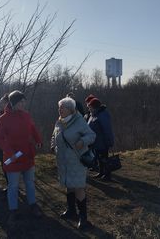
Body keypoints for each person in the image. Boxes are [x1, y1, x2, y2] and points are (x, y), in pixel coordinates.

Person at [0, 90, 43, 224]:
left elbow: (32, 128)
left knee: (30, 183)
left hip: (27, 154)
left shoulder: (26, 115)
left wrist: (38, 140)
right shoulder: (3, 118)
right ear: (13, 103)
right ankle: (13, 210)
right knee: (13, 186)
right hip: (13, 157)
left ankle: (33, 205)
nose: (23, 104)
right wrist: (10, 153)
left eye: (24, 101)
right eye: (21, 102)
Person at [51, 97, 96, 230]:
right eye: (59, 107)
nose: (60, 109)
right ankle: (71, 211)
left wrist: (82, 141)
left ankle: (83, 218)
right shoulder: (59, 122)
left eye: (62, 107)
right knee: (68, 185)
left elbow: (91, 135)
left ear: (71, 109)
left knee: (78, 187)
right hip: (63, 161)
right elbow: (54, 135)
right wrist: (53, 145)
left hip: (76, 160)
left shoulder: (79, 121)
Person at [87, 98, 114, 181]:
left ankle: (107, 175)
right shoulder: (94, 114)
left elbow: (107, 129)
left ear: (94, 107)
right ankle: (101, 172)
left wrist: (109, 141)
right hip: (96, 142)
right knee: (99, 158)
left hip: (102, 141)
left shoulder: (102, 115)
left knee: (104, 158)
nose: (89, 108)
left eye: (90, 107)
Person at [0, 94, 9, 192]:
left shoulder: (7, 116)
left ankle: (12, 186)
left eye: (2, 102)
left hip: (8, 147)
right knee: (4, 166)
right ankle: (10, 185)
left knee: (9, 166)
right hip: (1, 147)